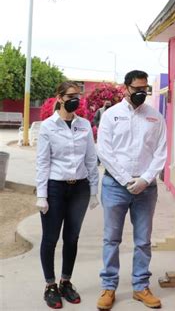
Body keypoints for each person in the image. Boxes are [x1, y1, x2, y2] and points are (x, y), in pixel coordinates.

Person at [96, 70, 167, 310]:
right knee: (111, 238)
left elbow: (161, 152)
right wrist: (127, 180)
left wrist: (145, 179)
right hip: (116, 186)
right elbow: (105, 151)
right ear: (125, 88)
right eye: (136, 89)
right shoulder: (111, 116)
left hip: (146, 188)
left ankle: (140, 287)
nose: (141, 93)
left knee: (143, 240)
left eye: (144, 89)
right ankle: (108, 287)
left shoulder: (155, 117)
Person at [36, 81, 99, 309]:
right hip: (55, 188)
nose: (76, 99)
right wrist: (41, 194)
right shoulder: (48, 126)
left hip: (79, 188)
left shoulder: (84, 125)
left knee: (72, 238)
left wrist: (94, 190)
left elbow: (91, 159)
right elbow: (43, 163)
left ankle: (66, 282)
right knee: (50, 238)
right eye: (71, 95)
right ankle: (50, 286)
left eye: (78, 95)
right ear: (60, 97)